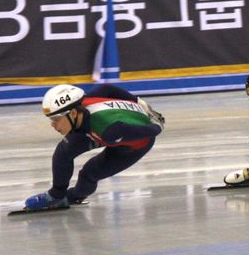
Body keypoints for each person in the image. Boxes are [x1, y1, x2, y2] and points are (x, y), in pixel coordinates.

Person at [24, 84, 165, 210]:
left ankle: (74, 197)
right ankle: (56, 194)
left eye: (56, 119)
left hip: (135, 143)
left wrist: (157, 125)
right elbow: (107, 88)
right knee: (63, 152)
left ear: (73, 113)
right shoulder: (87, 101)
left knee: (89, 173)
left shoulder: (109, 131)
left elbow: (150, 132)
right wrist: (139, 101)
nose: (53, 125)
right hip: (99, 128)